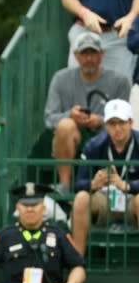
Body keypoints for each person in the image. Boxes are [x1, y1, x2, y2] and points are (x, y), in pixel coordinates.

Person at [44, 32, 131, 190]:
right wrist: (70, 115)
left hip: (106, 134)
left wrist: (101, 120)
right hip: (74, 135)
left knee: (118, 129)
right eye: (84, 53)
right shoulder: (60, 78)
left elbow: (125, 119)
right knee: (65, 125)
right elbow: (49, 119)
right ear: (76, 55)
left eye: (93, 53)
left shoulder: (120, 81)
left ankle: (117, 183)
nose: (89, 59)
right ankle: (64, 185)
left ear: (101, 54)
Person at [71, 99, 139, 255]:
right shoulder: (94, 145)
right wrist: (93, 184)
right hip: (104, 199)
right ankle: (77, 261)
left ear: (131, 122)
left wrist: (128, 186)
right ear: (106, 125)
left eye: (121, 122)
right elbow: (78, 183)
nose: (117, 128)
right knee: (81, 198)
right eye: (112, 123)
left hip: (132, 200)